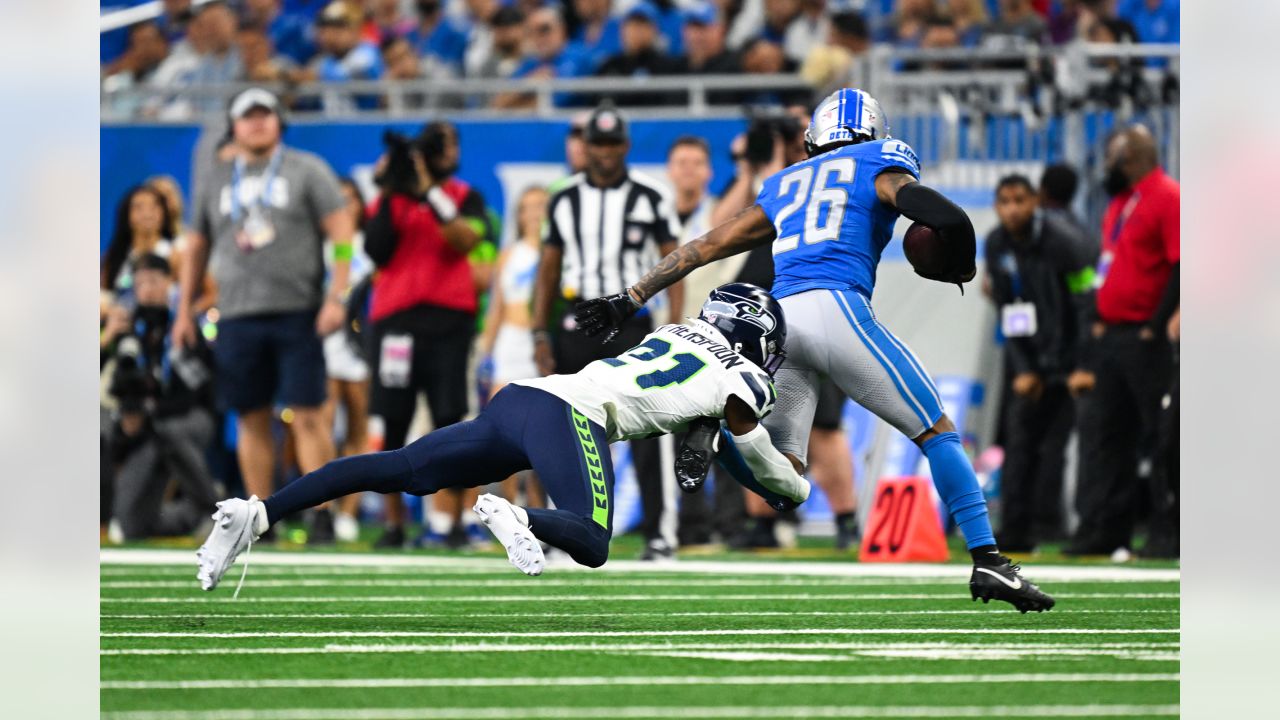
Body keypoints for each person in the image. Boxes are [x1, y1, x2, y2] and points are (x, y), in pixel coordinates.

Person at [578, 87, 1055, 612]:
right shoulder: (880, 161)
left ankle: (720, 428)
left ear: (814, 138)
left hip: (780, 325)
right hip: (837, 307)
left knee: (784, 480)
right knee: (938, 432)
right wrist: (960, 265)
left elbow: (705, 246)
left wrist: (632, 296)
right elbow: (950, 219)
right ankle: (989, 559)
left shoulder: (785, 183)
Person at [197, 284, 808, 589]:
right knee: (593, 539)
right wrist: (793, 488)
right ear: (756, 336)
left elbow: (690, 403)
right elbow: (757, 461)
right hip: (571, 416)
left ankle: (258, 512)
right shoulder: (747, 377)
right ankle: (518, 515)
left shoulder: (674, 332)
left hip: (523, 398)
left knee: (404, 467)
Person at [175, 87, 355, 544]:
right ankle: (260, 517)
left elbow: (341, 230)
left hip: (298, 310)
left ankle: (322, 513)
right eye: (247, 117)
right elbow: (196, 247)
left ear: (279, 121)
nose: (256, 124)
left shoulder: (306, 170)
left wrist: (338, 295)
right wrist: (183, 312)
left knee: (310, 414)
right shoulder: (216, 179)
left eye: (264, 115)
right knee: (251, 416)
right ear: (233, 126)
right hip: (236, 313)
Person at [531, 102, 686, 562]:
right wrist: (539, 332)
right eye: (596, 143)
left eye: (611, 142)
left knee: (651, 427)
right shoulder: (564, 197)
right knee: (561, 429)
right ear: (585, 146)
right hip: (576, 318)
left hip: (629, 319)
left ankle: (660, 533)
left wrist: (673, 326)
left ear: (625, 145)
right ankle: (561, 528)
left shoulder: (651, 195)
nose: (603, 152)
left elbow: (673, 262)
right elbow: (548, 270)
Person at [362, 121, 493, 549]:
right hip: (396, 324)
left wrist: (427, 190)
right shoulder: (393, 199)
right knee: (394, 422)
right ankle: (394, 522)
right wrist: (389, 187)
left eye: (454, 141)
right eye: (443, 144)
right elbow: (375, 249)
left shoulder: (463, 195)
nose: (451, 150)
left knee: (449, 420)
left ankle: (453, 522)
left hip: (448, 325)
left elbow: (464, 241)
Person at [1066, 125, 1179, 557]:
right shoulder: (1119, 203)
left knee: (1161, 435)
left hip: (1144, 336)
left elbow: (1181, 263)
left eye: (1112, 158)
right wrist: (1097, 314)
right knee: (1105, 434)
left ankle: (1167, 531)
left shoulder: (1168, 197)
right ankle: (1105, 529)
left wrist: (1156, 322)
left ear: (1131, 159)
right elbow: (1108, 267)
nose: (1106, 168)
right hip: (1111, 335)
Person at [984, 174, 1097, 552]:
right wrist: (1024, 367)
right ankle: (1015, 530)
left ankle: (1055, 525)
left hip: (1072, 361)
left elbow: (1085, 305)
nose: (1011, 209)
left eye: (1019, 200)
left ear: (1035, 202)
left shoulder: (1066, 243)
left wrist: (1082, 364)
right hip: (1029, 359)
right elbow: (1006, 307)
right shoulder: (996, 245)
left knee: (1062, 448)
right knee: (1019, 445)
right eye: (1004, 201)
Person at [103, 254, 219, 540]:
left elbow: (198, 390)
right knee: (132, 524)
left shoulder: (183, 325)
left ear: (170, 282)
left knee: (170, 431)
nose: (147, 289)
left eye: (154, 281)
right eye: (140, 283)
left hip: (190, 418)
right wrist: (107, 339)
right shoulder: (127, 328)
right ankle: (195, 516)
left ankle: (218, 513)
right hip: (147, 427)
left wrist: (150, 410)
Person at [479, 186, 551, 508]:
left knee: (541, 428)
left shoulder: (555, 251)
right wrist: (486, 351)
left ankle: (538, 506)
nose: (535, 213)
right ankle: (510, 508)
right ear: (519, 215)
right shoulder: (509, 254)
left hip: (539, 344)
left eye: (541, 206)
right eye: (528, 207)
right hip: (510, 343)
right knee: (503, 428)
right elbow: (496, 306)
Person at [321, 178, 376, 543]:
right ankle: (321, 508)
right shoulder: (322, 245)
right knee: (319, 426)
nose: (346, 204)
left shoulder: (371, 247)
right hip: (323, 341)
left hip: (359, 346)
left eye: (351, 198)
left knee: (358, 428)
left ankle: (350, 511)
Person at [101, 184, 177, 305]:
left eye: (154, 206)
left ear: (164, 213)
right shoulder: (112, 259)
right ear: (126, 215)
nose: (147, 213)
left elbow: (207, 295)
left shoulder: (178, 254)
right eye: (138, 207)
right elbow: (103, 296)